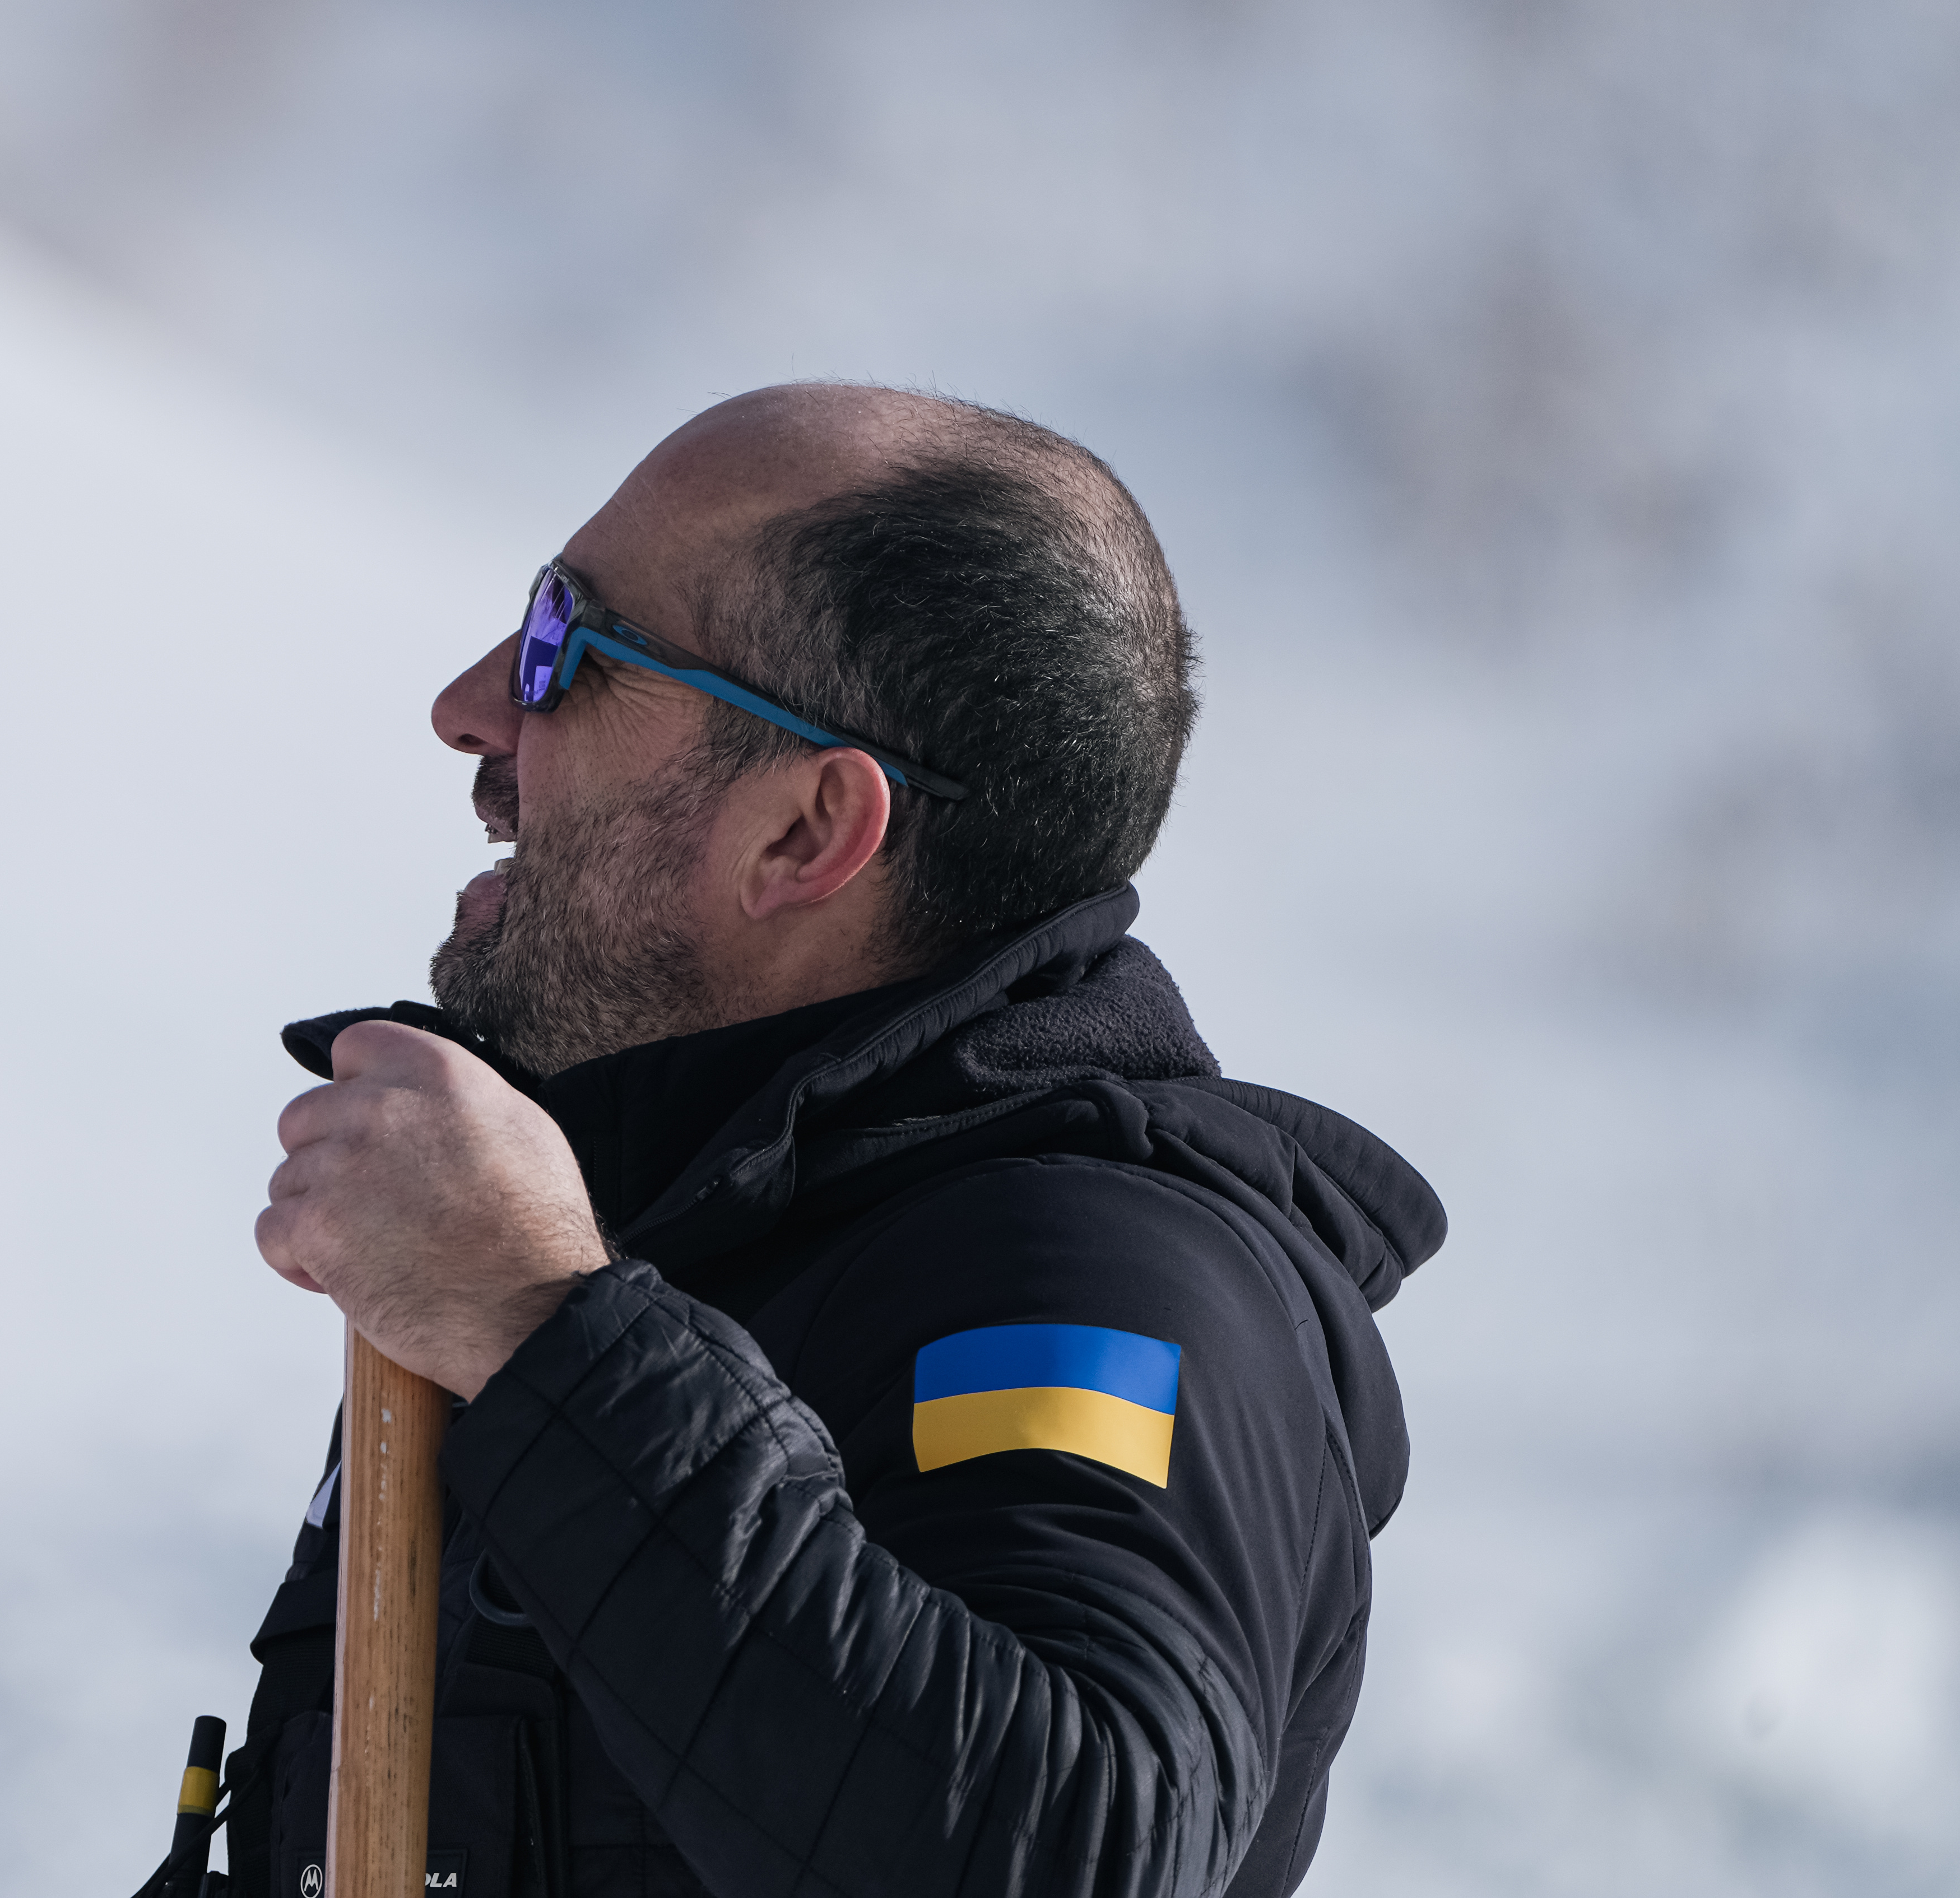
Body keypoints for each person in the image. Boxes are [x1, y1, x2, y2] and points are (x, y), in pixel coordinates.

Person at [235, 384, 1441, 1898]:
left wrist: (545, 1334)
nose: (470, 707)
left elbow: (1072, 1855)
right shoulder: (651, 1235)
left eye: (565, 648)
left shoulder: (1086, 1265)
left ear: (807, 830)